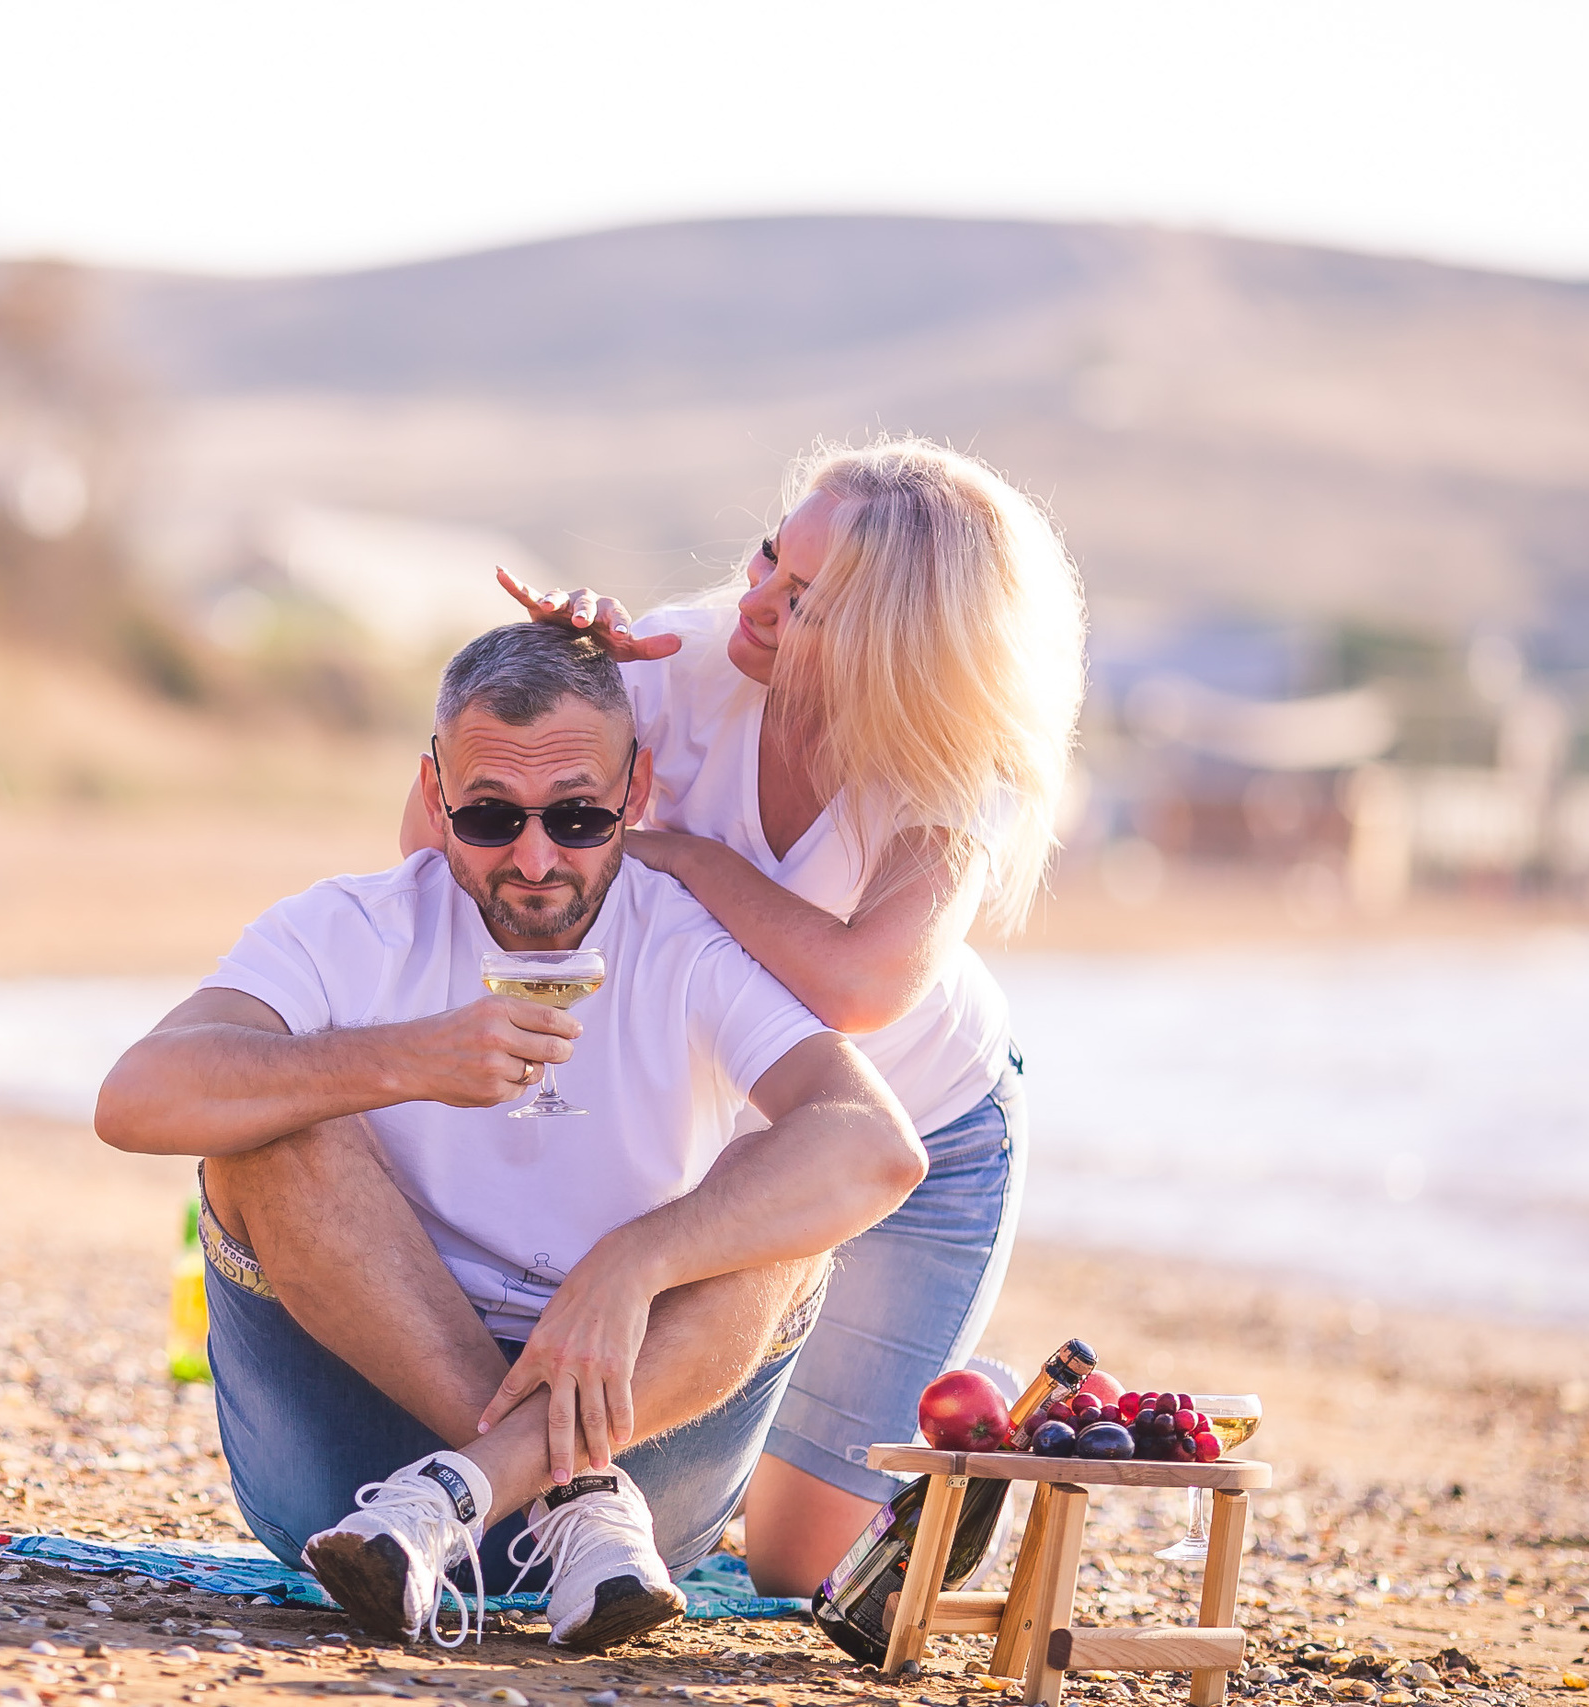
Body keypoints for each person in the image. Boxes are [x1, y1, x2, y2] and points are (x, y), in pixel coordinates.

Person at [97, 624, 925, 1651]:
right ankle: (557, 1491)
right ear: (435, 792)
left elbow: (876, 1146)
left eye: (577, 816)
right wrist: (401, 1059)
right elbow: (134, 1096)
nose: (534, 859)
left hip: (637, 1463)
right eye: (490, 816)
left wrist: (636, 1261)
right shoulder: (350, 927)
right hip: (347, 1469)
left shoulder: (682, 942)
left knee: (784, 1200)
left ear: (635, 790)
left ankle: (468, 1492)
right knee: (272, 1131)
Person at [402, 436, 1087, 1596]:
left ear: (896, 639)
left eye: (805, 601)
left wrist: (659, 852)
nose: (756, 601)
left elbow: (861, 984)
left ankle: (982, 1414)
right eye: (770, 558)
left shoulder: (955, 763)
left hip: (925, 1144)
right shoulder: (678, 660)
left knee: (797, 1566)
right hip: (734, 1142)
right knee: (734, 1538)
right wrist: (543, 682)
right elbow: (435, 865)